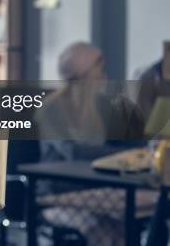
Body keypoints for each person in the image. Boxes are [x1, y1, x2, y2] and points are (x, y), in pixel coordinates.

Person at [36, 42, 149, 246]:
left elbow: (126, 144)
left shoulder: (103, 106)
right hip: (57, 197)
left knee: (123, 227)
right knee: (101, 230)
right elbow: (74, 152)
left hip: (95, 195)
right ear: (86, 74)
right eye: (100, 70)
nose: (104, 76)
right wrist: (120, 156)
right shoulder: (51, 109)